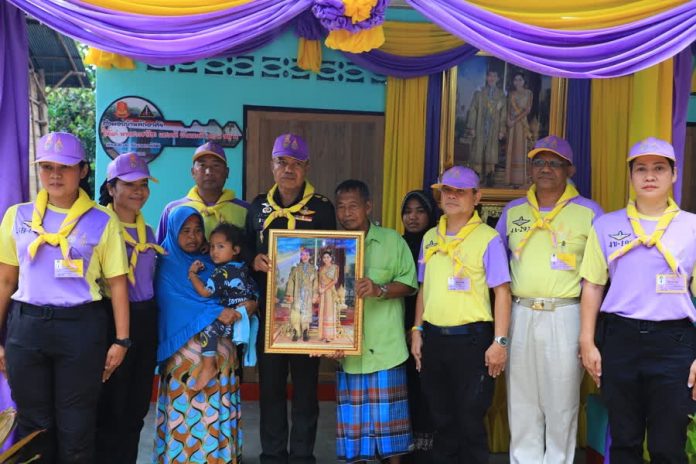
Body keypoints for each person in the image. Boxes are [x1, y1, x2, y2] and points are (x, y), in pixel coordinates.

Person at [0, 132, 130, 464]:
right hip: (26, 328)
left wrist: (121, 340)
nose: (55, 175)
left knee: (77, 425)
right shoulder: (17, 216)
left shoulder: (102, 220)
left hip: (80, 329)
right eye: (47, 167)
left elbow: (117, 284)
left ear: (83, 170)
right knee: (33, 424)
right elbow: (5, 280)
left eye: (65, 167)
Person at [579, 137, 696, 464]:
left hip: (674, 343)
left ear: (674, 174)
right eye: (641, 169)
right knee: (624, 441)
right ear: (630, 176)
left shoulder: (692, 227)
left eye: (659, 168)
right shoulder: (606, 225)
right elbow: (592, 285)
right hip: (620, 340)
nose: (650, 176)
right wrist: (587, 341)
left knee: (668, 445)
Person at [495, 135, 603, 464]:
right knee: (522, 402)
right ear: (530, 168)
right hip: (521, 312)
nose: (546, 169)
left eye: (555, 163)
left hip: (566, 313)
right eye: (539, 162)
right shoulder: (513, 211)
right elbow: (495, 264)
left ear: (569, 170)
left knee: (562, 402)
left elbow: (602, 273)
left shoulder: (589, 212)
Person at [411, 166, 511, 464]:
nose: (452, 197)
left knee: (469, 420)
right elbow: (423, 288)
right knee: (441, 419)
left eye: (460, 192)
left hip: (472, 342)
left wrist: (500, 342)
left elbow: (502, 292)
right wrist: (417, 331)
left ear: (476, 197)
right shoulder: (431, 237)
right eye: (447, 191)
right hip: (434, 339)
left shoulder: (488, 238)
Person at [245, 133, 336, 463]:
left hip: (306, 315)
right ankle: (272, 454)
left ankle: (301, 455)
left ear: (307, 167)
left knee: (306, 390)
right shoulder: (258, 207)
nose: (288, 169)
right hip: (269, 315)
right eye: (282, 161)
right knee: (270, 388)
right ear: (272, 165)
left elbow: (334, 253)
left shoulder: (322, 208)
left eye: (296, 163)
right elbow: (245, 248)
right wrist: (253, 260)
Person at [156, 206, 257, 463]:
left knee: (215, 410)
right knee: (186, 410)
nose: (193, 237)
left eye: (198, 230)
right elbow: (172, 301)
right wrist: (216, 311)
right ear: (173, 232)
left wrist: (251, 303)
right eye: (185, 231)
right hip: (183, 354)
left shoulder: (214, 261)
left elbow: (242, 288)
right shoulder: (165, 263)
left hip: (221, 351)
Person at [333, 179, 417, 463]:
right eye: (341, 207)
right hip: (348, 352)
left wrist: (379, 289)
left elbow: (410, 283)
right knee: (355, 432)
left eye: (353, 206)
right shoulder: (330, 245)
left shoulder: (392, 241)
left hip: (385, 349)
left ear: (368, 207)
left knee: (391, 429)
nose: (346, 213)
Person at [95, 152, 163, 464]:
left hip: (145, 320)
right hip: (110, 319)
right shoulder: (97, 226)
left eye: (143, 185)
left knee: (137, 404)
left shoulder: (148, 232)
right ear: (111, 188)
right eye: (130, 184)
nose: (139, 191)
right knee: (110, 403)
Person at [188, 223, 259, 391]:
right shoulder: (244, 268)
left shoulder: (221, 273)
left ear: (235, 250)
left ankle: (208, 367)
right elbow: (255, 291)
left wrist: (192, 274)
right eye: (212, 246)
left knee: (208, 328)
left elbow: (205, 292)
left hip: (232, 323)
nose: (214, 251)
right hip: (246, 321)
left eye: (221, 246)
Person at [400, 190, 437, 462]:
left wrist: (418, 328)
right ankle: (402, 449)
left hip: (429, 330)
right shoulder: (397, 245)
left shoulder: (439, 245)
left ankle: (426, 452)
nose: (413, 217)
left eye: (420, 211)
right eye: (408, 211)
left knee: (426, 391)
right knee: (403, 391)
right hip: (396, 331)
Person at [157, 141, 248, 241]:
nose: (208, 172)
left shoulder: (245, 211)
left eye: (216, 165)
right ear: (193, 172)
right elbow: (160, 248)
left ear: (227, 172)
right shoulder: (172, 210)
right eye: (202, 165)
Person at [467, 70, 507, 184]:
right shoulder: (479, 93)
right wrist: (472, 127)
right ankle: (477, 174)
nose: (492, 78)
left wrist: (502, 130)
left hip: (494, 127)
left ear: (498, 78)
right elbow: (473, 110)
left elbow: (503, 113)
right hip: (480, 126)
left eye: (494, 76)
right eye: (490, 76)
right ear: (486, 77)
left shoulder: (501, 95)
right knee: (478, 150)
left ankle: (490, 175)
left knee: (491, 150)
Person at [285, 247, 319, 342]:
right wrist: (290, 295)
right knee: (295, 313)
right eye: (303, 255)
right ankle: (296, 332)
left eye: (307, 255)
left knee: (306, 313)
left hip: (307, 295)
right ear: (300, 256)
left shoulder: (313, 269)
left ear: (310, 256)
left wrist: (315, 295)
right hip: (297, 294)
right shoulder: (295, 268)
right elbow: (291, 282)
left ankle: (305, 331)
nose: (305, 257)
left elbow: (315, 283)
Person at [504, 72, 533, 186]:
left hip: (522, 125)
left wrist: (514, 120)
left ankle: (521, 179)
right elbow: (508, 109)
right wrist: (508, 120)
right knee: (512, 148)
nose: (518, 82)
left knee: (521, 149)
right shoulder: (511, 94)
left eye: (520, 79)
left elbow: (527, 110)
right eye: (515, 80)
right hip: (512, 126)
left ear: (524, 81)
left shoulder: (528, 93)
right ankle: (510, 179)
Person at [318, 250, 339, 343]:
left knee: (329, 312)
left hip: (330, 292)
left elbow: (335, 281)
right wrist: (319, 288)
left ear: (331, 258)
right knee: (323, 312)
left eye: (328, 257)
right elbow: (319, 280)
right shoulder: (321, 268)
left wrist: (324, 289)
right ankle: (323, 335)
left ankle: (329, 336)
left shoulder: (335, 267)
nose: (326, 259)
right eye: (324, 257)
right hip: (322, 293)